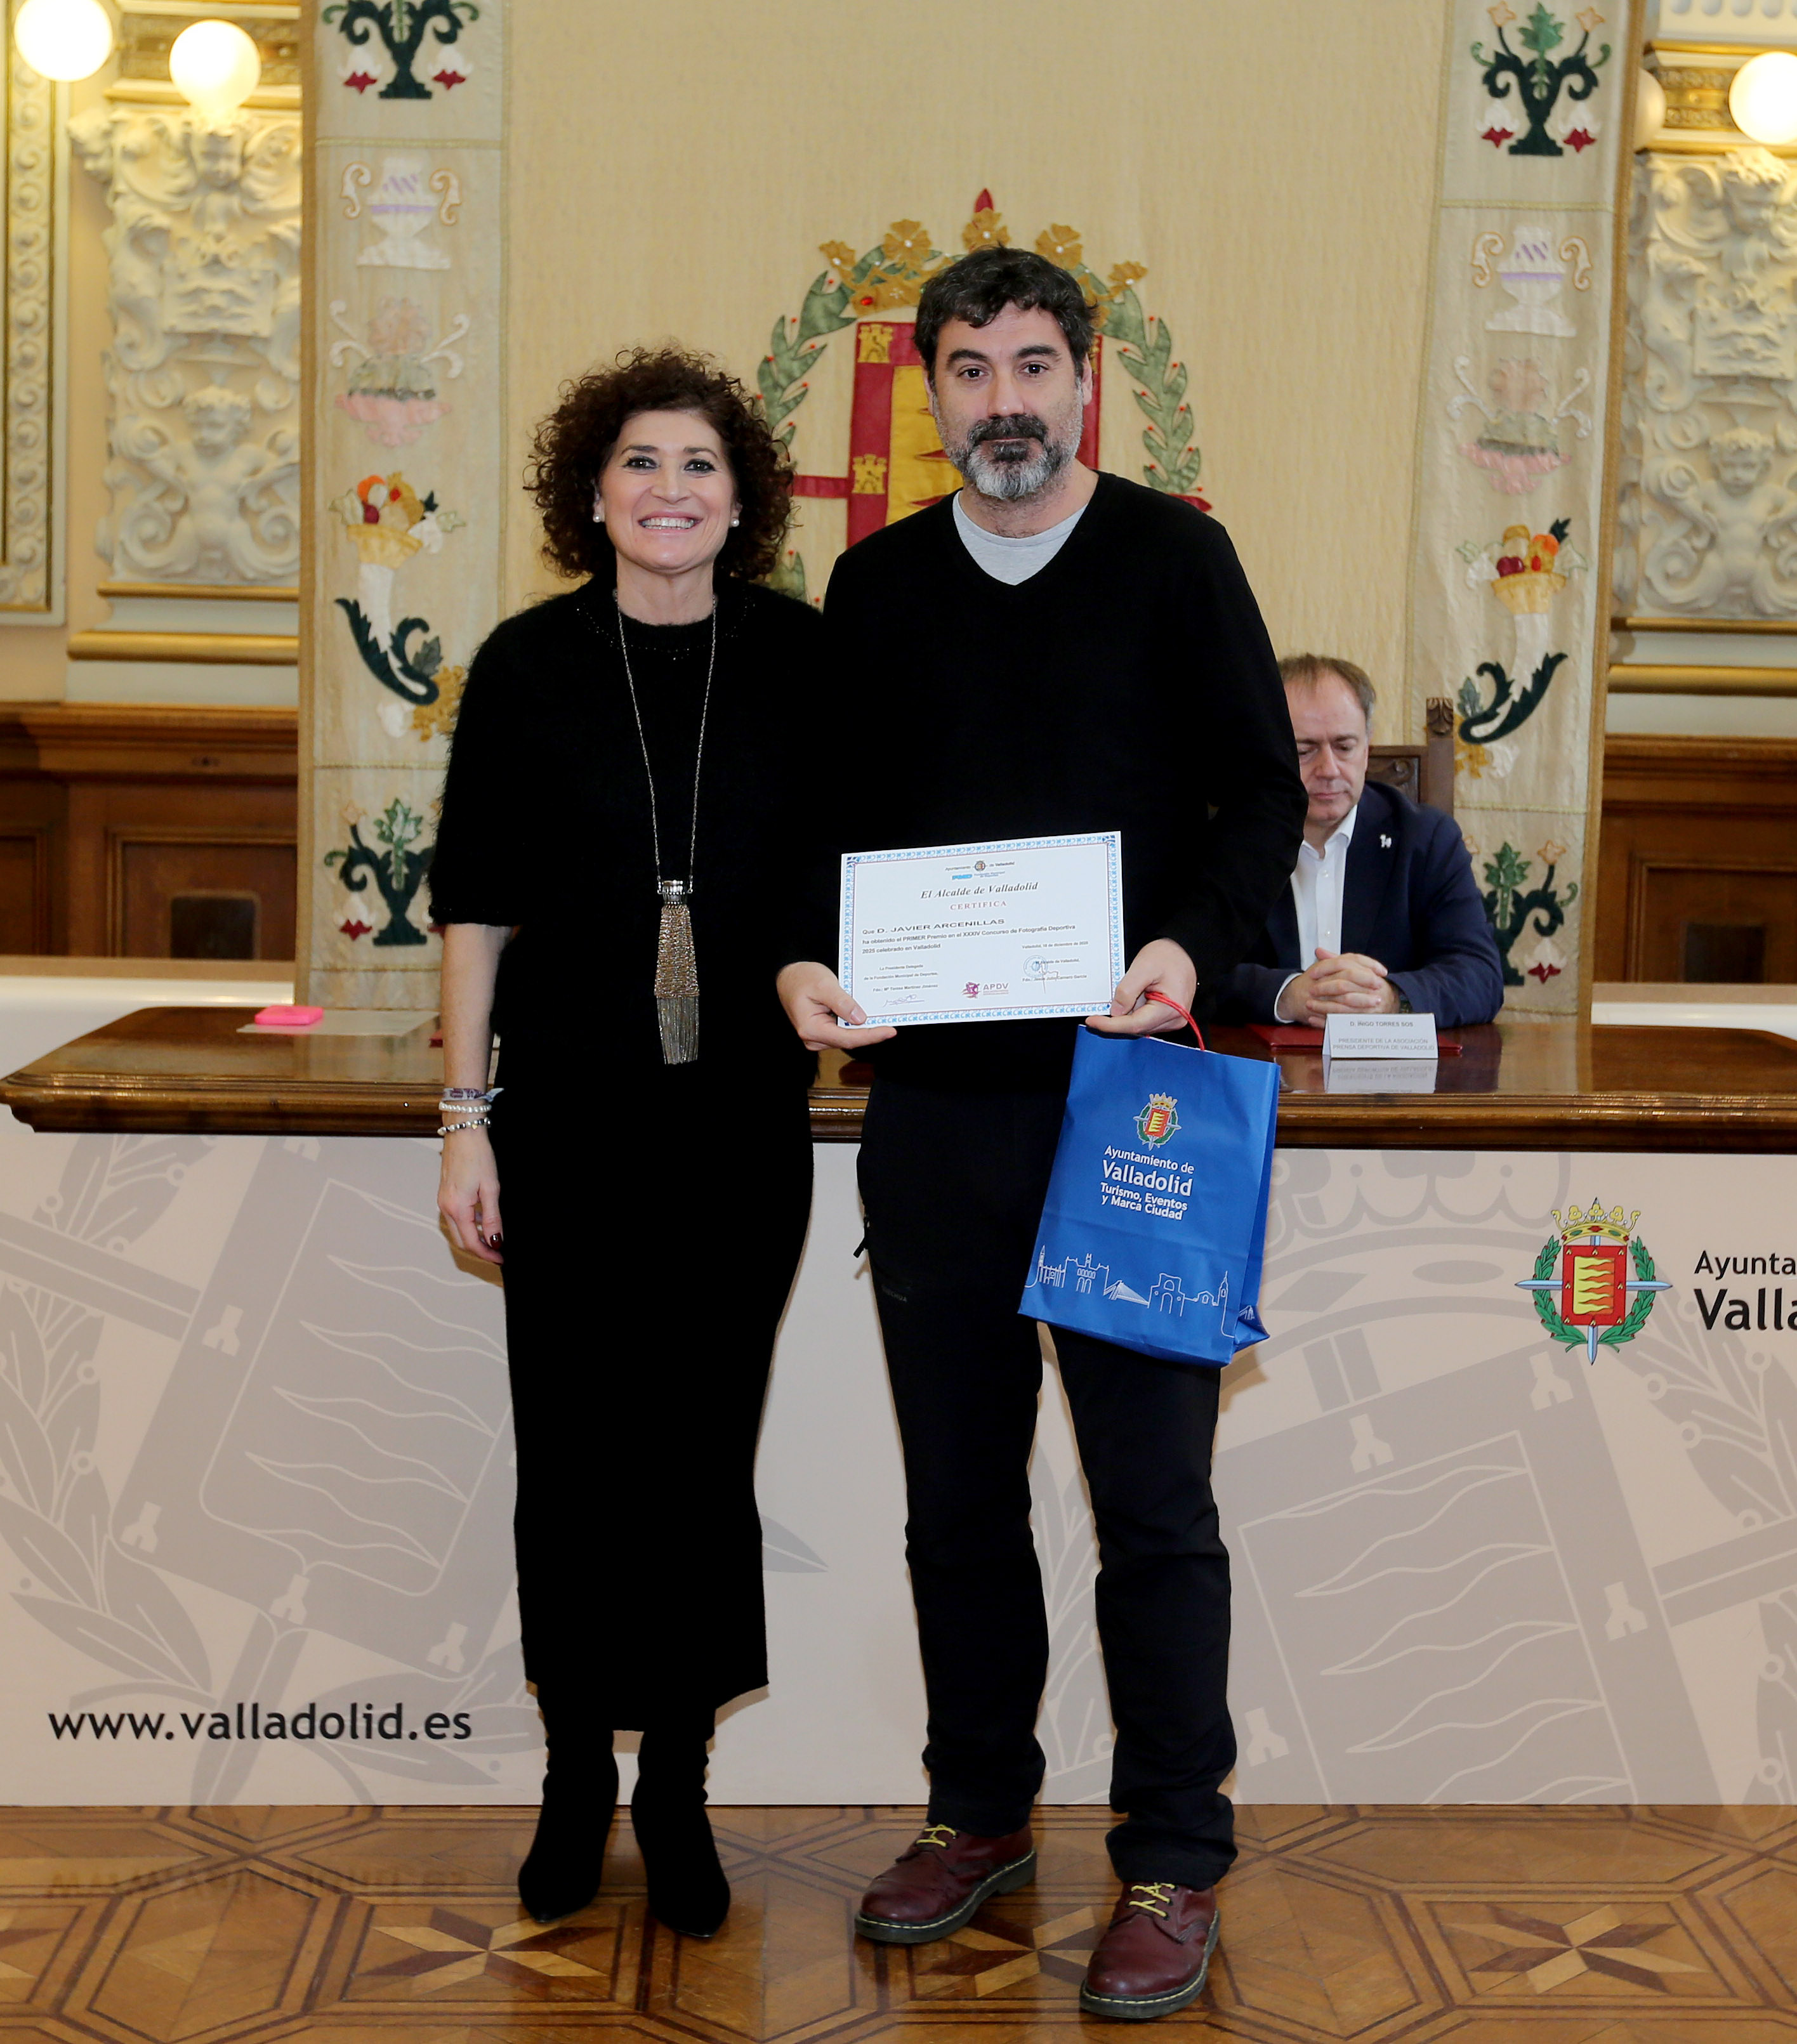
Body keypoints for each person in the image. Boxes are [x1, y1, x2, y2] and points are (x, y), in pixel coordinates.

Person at [775, 246, 1307, 2021]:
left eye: (1033, 363)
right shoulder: (879, 587)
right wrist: (798, 958)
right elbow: (824, 832)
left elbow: (1258, 806)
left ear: (1089, 379)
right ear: (929, 391)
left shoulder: (1178, 560)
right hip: (940, 1115)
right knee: (957, 1504)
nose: (1004, 398)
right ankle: (980, 1807)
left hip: (1136, 1097)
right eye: (969, 368)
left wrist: (1188, 948)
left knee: (1156, 1500)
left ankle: (1174, 1850)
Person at [430, 348, 820, 1938]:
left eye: (700, 468)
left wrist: (812, 970)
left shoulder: (799, 660)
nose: (671, 490)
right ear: (590, 494)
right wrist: (466, 1119)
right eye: (642, 465)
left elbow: (830, 878)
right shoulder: (525, 667)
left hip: (738, 1127)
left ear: (744, 505)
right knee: (576, 1452)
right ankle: (572, 1770)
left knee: (696, 1456)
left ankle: (675, 1781)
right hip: (572, 1123)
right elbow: (474, 910)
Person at [1213, 655, 1504, 1028]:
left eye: (1345, 746)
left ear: (1368, 749)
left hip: (1390, 1080)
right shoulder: (1226, 841)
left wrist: (1389, 998)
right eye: (1305, 751)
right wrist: (1287, 994)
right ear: (1268, 749)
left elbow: (1480, 975)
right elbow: (1191, 970)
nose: (1329, 770)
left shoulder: (1427, 840)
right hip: (1264, 1072)